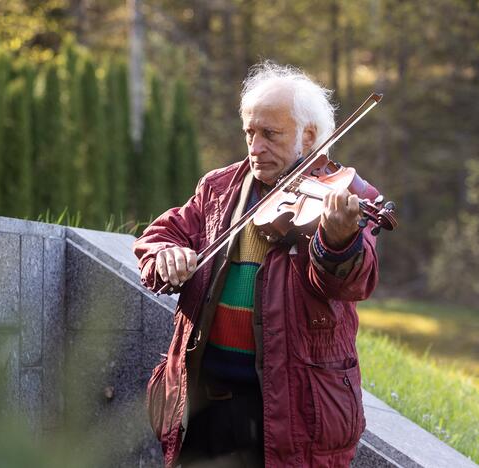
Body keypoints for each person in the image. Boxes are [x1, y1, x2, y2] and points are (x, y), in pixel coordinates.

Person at [134, 61, 380, 468]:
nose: (255, 146)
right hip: (202, 404)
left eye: (270, 134)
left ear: (310, 135)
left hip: (289, 409)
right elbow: (163, 233)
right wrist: (166, 255)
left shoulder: (344, 194)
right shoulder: (219, 186)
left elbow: (354, 280)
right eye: (250, 132)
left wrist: (338, 242)